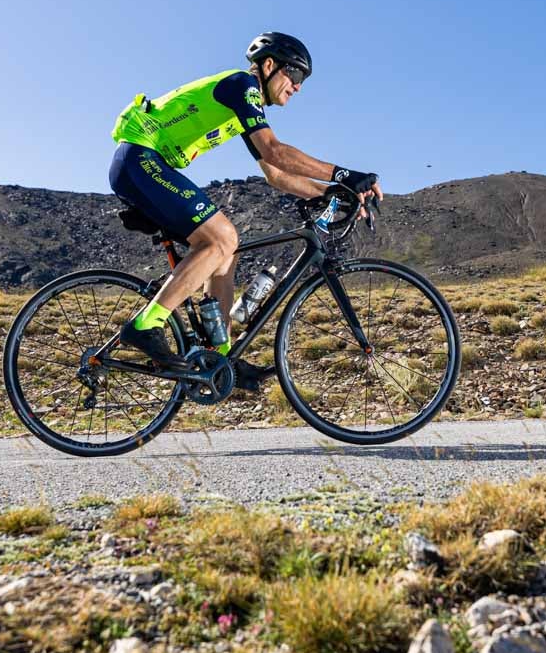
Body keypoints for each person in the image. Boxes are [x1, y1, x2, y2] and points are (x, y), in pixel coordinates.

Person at [108, 32, 384, 390]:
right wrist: (347, 175)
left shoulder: (245, 105)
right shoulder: (242, 86)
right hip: (140, 159)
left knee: (226, 253)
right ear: (269, 66)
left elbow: (276, 175)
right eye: (296, 76)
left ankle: (221, 356)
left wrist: (333, 191)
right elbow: (274, 151)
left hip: (146, 165)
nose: (298, 88)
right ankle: (146, 325)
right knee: (222, 238)